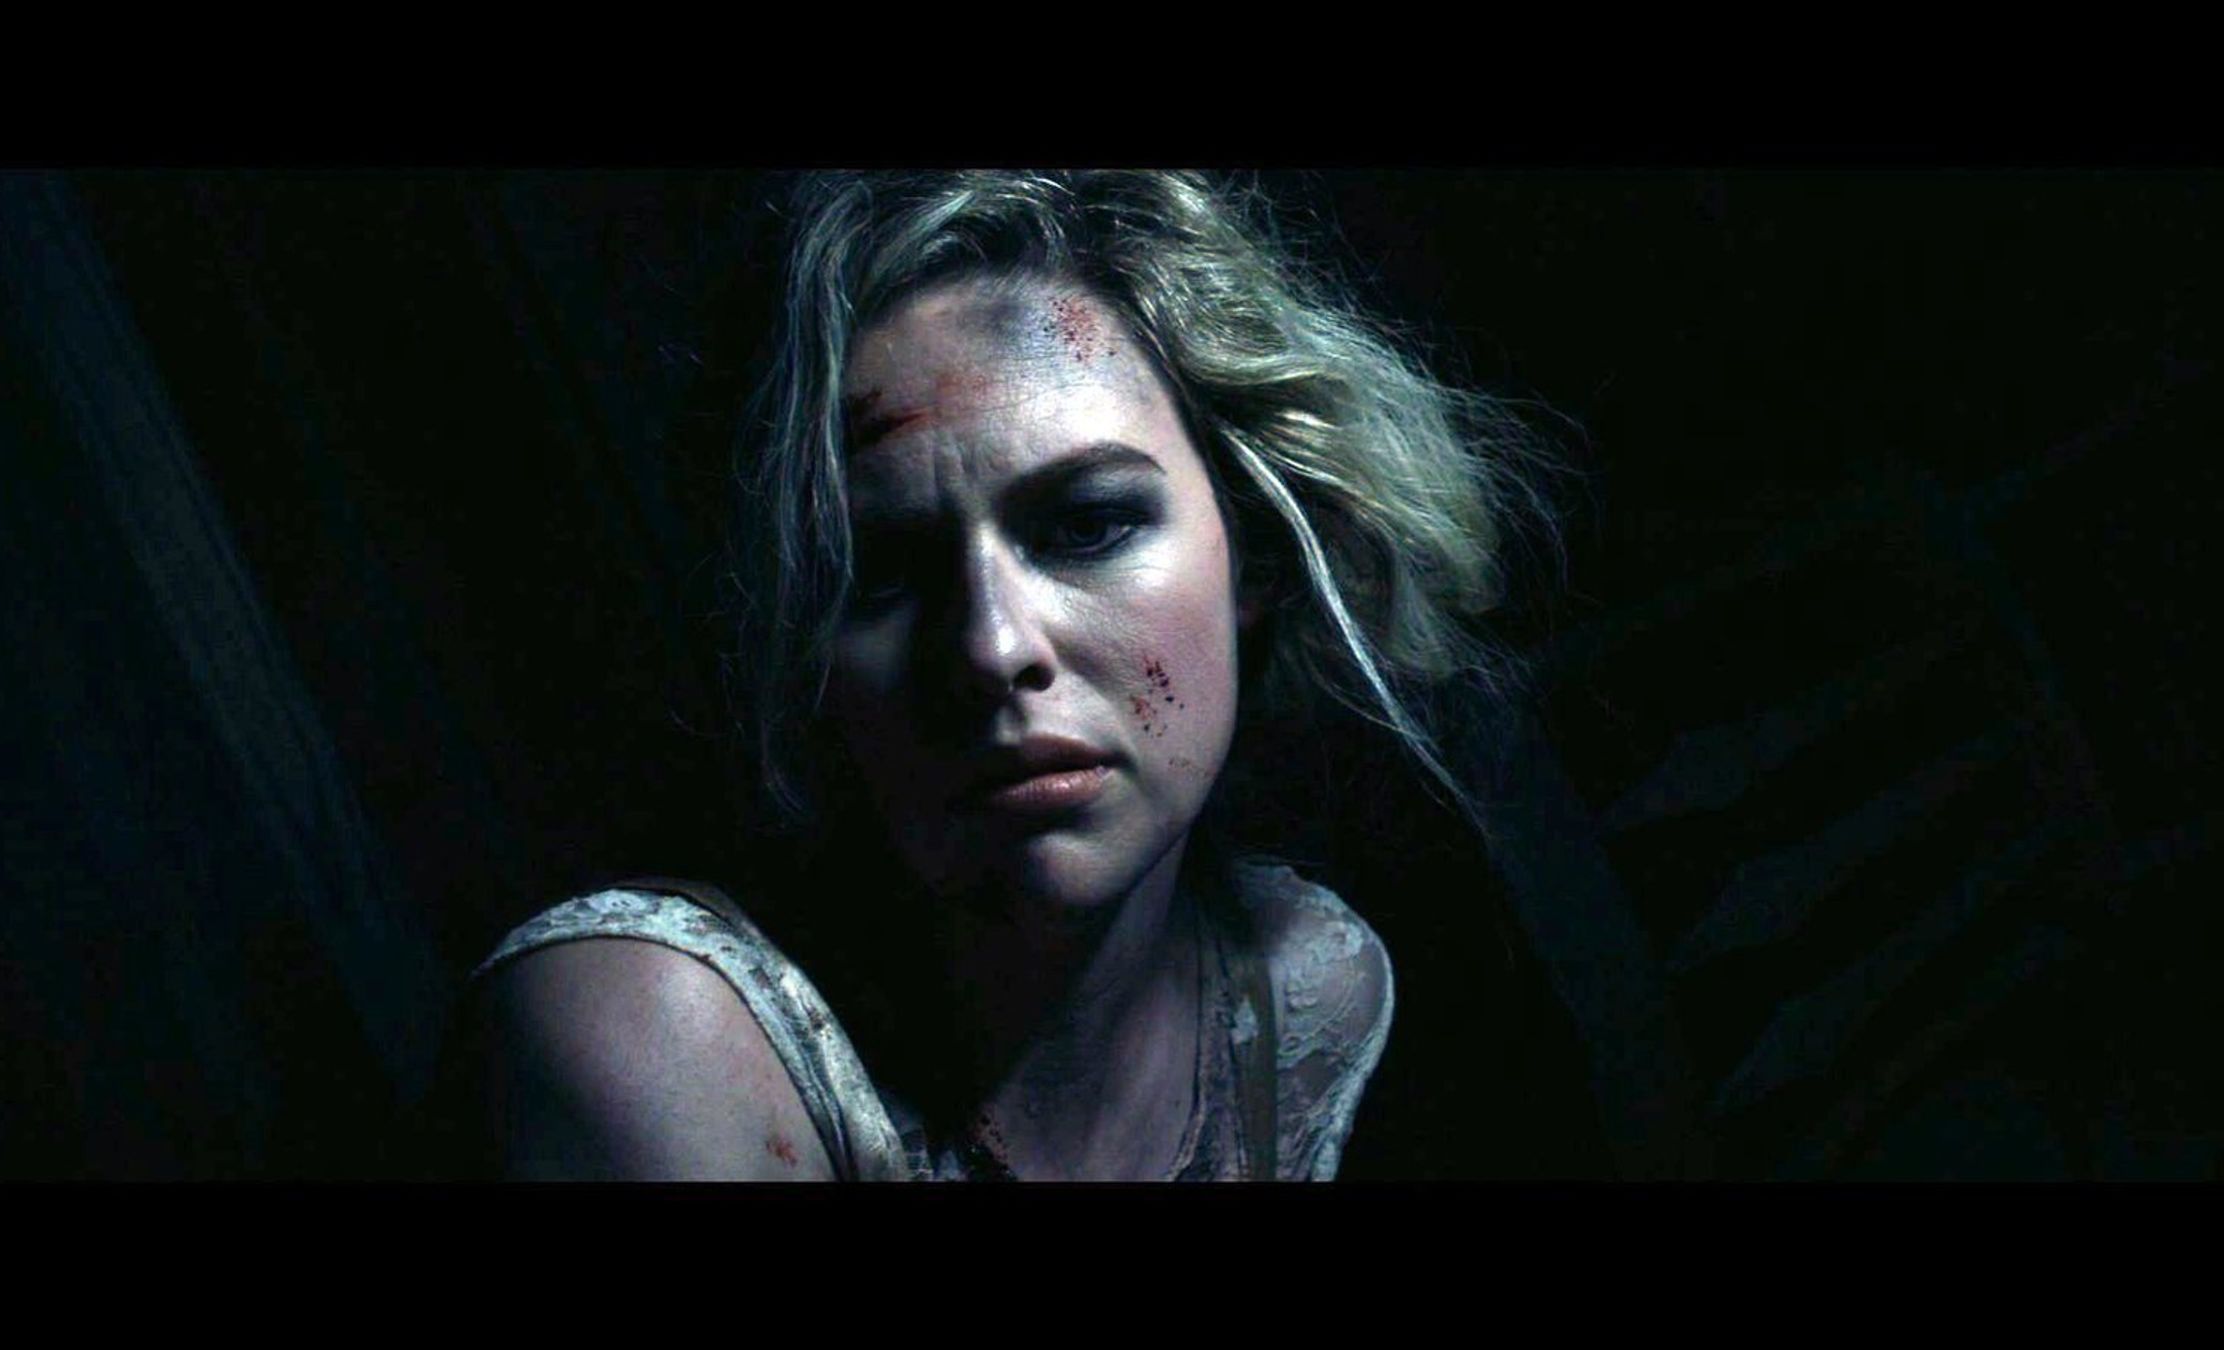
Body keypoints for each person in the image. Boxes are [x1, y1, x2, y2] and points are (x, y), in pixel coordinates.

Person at [471, 171, 1542, 1181]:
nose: (992, 649)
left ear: (1254, 550)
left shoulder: (1302, 995)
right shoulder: (651, 1033)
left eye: (1087, 524)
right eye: (878, 572)